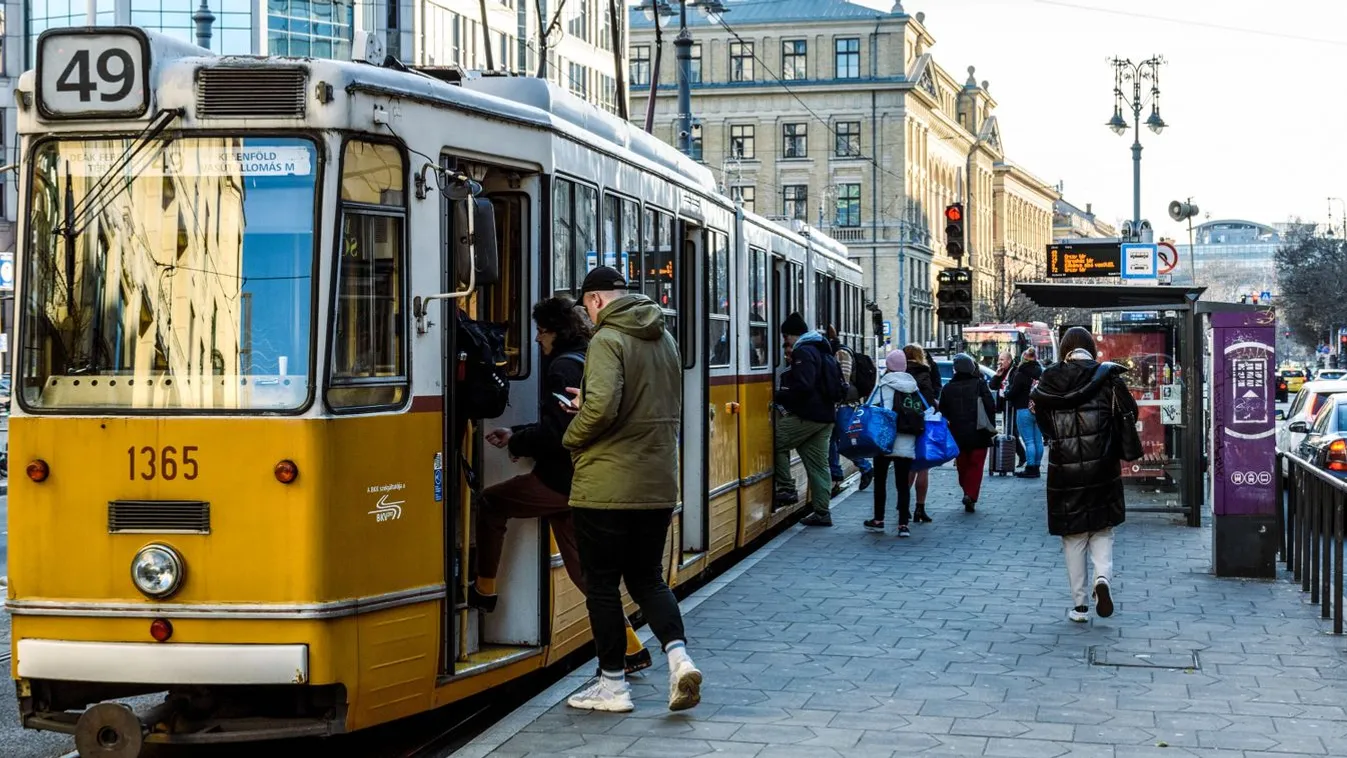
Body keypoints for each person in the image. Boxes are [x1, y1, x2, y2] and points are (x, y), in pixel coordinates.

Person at [471, 297, 650, 676]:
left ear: (556, 331)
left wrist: (517, 441)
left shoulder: (561, 368)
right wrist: (517, 434)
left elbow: (558, 432)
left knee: (491, 503)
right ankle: (632, 648)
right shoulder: (589, 357)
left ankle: (484, 589)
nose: (537, 339)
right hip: (580, 482)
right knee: (583, 571)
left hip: (558, 481)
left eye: (541, 331)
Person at [561, 266, 700, 713]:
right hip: (657, 481)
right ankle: (679, 660)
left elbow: (602, 409)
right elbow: (649, 401)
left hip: (607, 485)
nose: (587, 315)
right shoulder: (665, 338)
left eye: (586, 306)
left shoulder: (606, 339)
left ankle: (613, 686)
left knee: (601, 585)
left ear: (597, 300)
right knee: (647, 578)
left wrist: (571, 436)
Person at [1031, 327, 1137, 623]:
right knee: (1102, 528)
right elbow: (1130, 413)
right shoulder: (1108, 377)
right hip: (1103, 464)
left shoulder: (1049, 379)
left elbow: (1044, 423)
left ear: (1065, 348)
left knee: (1073, 536)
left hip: (1065, 469)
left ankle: (1079, 606)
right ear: (1091, 347)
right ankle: (1102, 578)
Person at [773, 313, 846, 526]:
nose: (784, 341)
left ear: (792, 335)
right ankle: (823, 512)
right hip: (826, 416)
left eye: (786, 336)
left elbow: (804, 385)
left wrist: (780, 395)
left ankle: (786, 488)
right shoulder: (822, 349)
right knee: (818, 465)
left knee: (775, 441)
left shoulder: (803, 351)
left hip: (809, 415)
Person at [863, 350, 923, 537]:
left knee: (880, 481)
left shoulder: (884, 385)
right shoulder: (913, 386)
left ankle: (879, 520)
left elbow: (871, 408)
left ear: (888, 366)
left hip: (885, 441)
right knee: (902, 484)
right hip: (907, 440)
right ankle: (903, 525)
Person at [939, 354, 997, 513]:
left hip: (957, 433)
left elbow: (943, 411)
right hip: (979, 432)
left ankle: (966, 490)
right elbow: (991, 406)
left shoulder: (948, 388)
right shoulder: (979, 384)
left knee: (962, 465)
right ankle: (970, 494)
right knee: (976, 465)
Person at [826, 325, 874, 494]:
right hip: (839, 405)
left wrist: (835, 397)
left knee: (843, 439)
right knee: (832, 440)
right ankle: (836, 474)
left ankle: (865, 467)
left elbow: (844, 382)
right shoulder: (836, 352)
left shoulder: (841, 353)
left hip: (844, 405)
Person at [903, 344, 938, 523]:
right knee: (922, 467)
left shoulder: (895, 373)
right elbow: (929, 401)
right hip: (921, 423)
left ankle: (903, 507)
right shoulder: (925, 373)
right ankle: (920, 508)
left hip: (901, 426)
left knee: (906, 467)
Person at [1005, 347, 1044, 478]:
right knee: (1038, 440)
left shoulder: (1020, 374)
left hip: (1023, 409)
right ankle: (1037, 467)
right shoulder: (1041, 372)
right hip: (1039, 409)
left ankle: (1030, 468)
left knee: (1028, 441)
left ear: (1023, 359)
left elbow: (1013, 393)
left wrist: (1005, 393)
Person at [990, 351, 1026, 466]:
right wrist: (997, 375)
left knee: (1011, 432)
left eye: (1002, 360)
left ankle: (1022, 456)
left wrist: (1006, 392)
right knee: (1009, 432)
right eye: (999, 359)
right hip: (1005, 405)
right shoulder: (1002, 372)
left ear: (1009, 361)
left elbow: (1013, 388)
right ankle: (1022, 456)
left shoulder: (1015, 371)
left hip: (1013, 405)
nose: (999, 362)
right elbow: (992, 386)